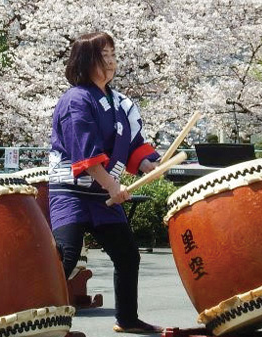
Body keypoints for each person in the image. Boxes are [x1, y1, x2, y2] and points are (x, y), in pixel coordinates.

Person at [48, 32, 162, 334]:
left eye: (113, 55)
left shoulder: (121, 102)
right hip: (71, 191)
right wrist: (112, 185)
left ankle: (127, 319)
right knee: (67, 256)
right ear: (85, 61)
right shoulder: (75, 99)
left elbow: (133, 143)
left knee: (127, 255)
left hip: (103, 192)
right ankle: (40, 321)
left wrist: (147, 164)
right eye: (104, 56)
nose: (111, 62)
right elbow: (85, 153)